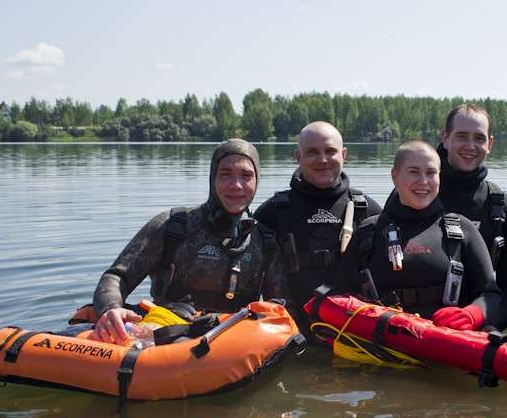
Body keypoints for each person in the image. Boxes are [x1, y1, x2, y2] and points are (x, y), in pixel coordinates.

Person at [91, 139, 285, 344]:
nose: (236, 185)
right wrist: (111, 309)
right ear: (212, 178)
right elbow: (117, 277)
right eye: (226, 174)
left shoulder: (265, 241)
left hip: (230, 349)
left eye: (246, 176)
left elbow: (281, 308)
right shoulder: (172, 226)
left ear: (256, 181)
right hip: (163, 341)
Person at [335, 141, 501, 328]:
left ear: (439, 177)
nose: (423, 181)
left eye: (430, 173)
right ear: (395, 176)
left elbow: (491, 295)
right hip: (382, 346)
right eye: (413, 172)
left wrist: (471, 315)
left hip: (448, 345)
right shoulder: (368, 232)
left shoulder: (462, 230)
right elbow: (340, 295)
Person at [254, 121, 381, 328]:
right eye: (312, 152)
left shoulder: (368, 211)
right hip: (289, 329)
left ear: (344, 154)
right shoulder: (272, 212)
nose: (322, 160)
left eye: (330, 151)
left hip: (352, 330)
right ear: (297, 156)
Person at [438, 104, 507, 329]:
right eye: (461, 136)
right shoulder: (415, 193)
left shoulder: (504, 208)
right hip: (420, 323)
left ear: (490, 144)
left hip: (479, 326)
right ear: (445, 138)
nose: (470, 146)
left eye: (479, 138)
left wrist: (492, 327)